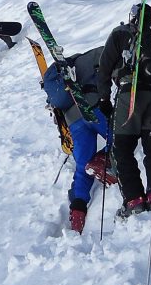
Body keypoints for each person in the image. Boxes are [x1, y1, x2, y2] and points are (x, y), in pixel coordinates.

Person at [97, 4, 151, 219]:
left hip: (129, 95)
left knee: (121, 148)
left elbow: (104, 67)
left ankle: (134, 200)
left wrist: (104, 97)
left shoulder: (121, 33)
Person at [41, 47, 112, 233]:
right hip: (93, 107)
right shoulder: (95, 56)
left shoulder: (60, 77)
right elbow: (111, 61)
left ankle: (78, 210)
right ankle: (102, 160)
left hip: (74, 120)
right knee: (120, 139)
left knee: (81, 166)